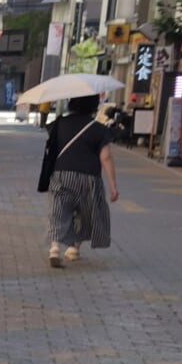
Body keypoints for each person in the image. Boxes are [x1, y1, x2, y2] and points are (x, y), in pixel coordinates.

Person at [45, 93, 118, 267]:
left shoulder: (59, 123)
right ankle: (73, 248)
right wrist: (113, 185)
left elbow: (51, 148)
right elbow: (106, 157)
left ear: (72, 103)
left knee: (58, 211)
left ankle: (54, 248)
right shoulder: (98, 129)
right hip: (89, 178)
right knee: (85, 214)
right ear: (93, 106)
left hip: (61, 174)